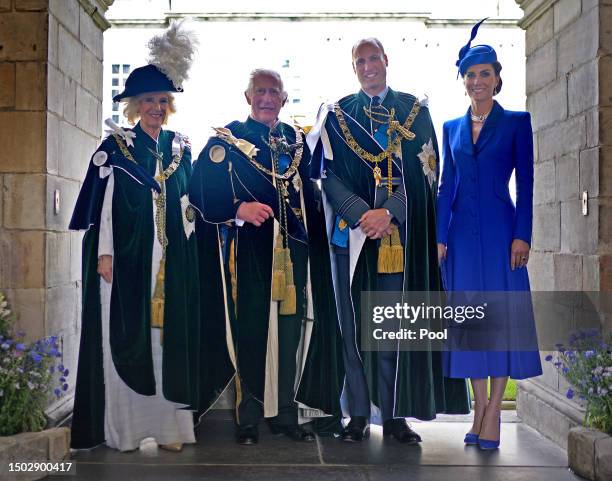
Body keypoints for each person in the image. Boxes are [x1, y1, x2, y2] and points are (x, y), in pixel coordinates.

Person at [306, 38, 470, 444]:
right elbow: (327, 175)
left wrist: (389, 212)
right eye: (359, 61)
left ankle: (395, 416)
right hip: (350, 236)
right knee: (353, 327)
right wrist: (361, 214)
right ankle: (358, 414)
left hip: (399, 240)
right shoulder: (337, 113)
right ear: (354, 67)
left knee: (392, 328)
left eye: (373, 58)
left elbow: (427, 173)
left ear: (386, 61)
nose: (367, 66)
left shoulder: (416, 111)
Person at [68, 22, 205, 452]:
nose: (157, 108)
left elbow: (192, 203)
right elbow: (103, 206)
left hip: (172, 263)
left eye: (163, 101)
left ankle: (171, 431)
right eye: (149, 101)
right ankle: (126, 430)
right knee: (128, 339)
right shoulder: (116, 148)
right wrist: (104, 254)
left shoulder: (182, 148)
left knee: (167, 341)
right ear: (134, 106)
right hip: (127, 262)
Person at [190, 69, 333, 445]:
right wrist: (239, 208)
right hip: (250, 255)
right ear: (247, 96)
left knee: (289, 334)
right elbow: (200, 190)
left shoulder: (296, 141)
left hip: (295, 256)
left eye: (274, 92)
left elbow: (314, 195)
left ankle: (285, 413)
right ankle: (248, 416)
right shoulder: (226, 142)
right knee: (252, 331)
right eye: (260, 91)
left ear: (284, 99)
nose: (267, 98)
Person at [436, 19, 543, 450]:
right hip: (460, 237)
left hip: (502, 234)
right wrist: (440, 236)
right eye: (470, 75)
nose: (477, 81)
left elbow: (528, 184)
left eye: (485, 73)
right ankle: (479, 405)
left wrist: (523, 235)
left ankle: (495, 409)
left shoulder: (517, 122)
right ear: (463, 82)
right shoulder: (451, 128)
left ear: (497, 78)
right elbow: (446, 185)